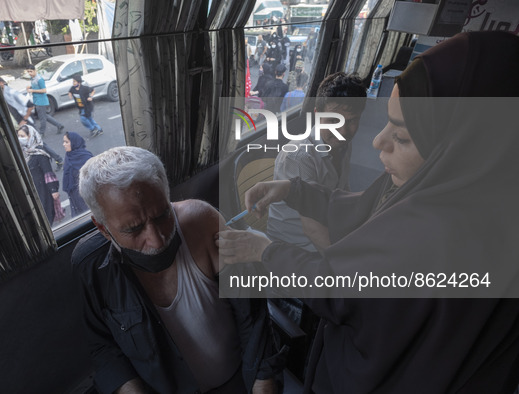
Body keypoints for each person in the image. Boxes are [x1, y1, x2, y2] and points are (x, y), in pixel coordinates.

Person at [218, 31, 519, 393]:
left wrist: (264, 250)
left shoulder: (434, 229)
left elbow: (337, 287)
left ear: (465, 142)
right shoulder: (451, 185)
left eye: (403, 136)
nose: (377, 141)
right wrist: (293, 190)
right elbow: (359, 203)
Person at [72, 146, 282, 394]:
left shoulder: (202, 222)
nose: (157, 240)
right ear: (103, 228)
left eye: (163, 215)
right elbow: (104, 347)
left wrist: (263, 382)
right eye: (133, 229)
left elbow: (253, 319)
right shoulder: (91, 266)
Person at [271, 72, 366, 252]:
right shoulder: (299, 157)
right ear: (317, 114)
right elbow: (312, 230)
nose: (343, 131)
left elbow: (342, 189)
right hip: (295, 245)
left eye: (352, 120)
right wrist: (347, 266)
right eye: (333, 121)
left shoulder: (342, 144)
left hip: (329, 224)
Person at [0, 76, 64, 171]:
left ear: (1, 83)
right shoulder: (3, 94)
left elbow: (30, 105)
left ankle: (58, 159)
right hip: (18, 125)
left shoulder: (11, 92)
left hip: (26, 123)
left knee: (39, 144)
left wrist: (24, 120)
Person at [17, 125, 61, 224]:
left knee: (45, 216)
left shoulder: (40, 154)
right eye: (19, 136)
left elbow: (48, 173)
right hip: (33, 190)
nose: (20, 139)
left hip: (43, 191)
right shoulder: (25, 153)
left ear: (31, 136)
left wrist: (54, 190)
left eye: (23, 136)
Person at [26, 64, 65, 136]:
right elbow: (36, 86)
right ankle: (59, 125)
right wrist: (30, 87)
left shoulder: (39, 79)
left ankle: (41, 132)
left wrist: (32, 90)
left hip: (41, 101)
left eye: (31, 71)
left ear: (35, 70)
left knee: (42, 118)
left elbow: (44, 90)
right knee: (45, 116)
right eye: (28, 72)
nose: (29, 73)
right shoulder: (32, 78)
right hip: (37, 100)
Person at [62, 132, 93, 218]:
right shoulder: (69, 155)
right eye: (64, 142)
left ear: (74, 142)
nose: (64, 144)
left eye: (66, 142)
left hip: (84, 194)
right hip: (74, 194)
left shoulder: (85, 157)